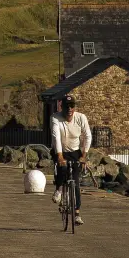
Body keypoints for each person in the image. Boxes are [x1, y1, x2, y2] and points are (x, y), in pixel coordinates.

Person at [50, 95, 92, 226]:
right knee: (62, 168)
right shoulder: (55, 118)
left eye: (72, 106)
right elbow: (56, 137)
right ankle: (59, 189)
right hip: (60, 150)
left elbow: (87, 136)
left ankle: (77, 214)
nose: (69, 109)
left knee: (76, 182)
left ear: (75, 107)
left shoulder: (81, 118)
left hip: (74, 151)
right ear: (61, 106)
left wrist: (84, 155)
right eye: (67, 106)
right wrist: (60, 156)